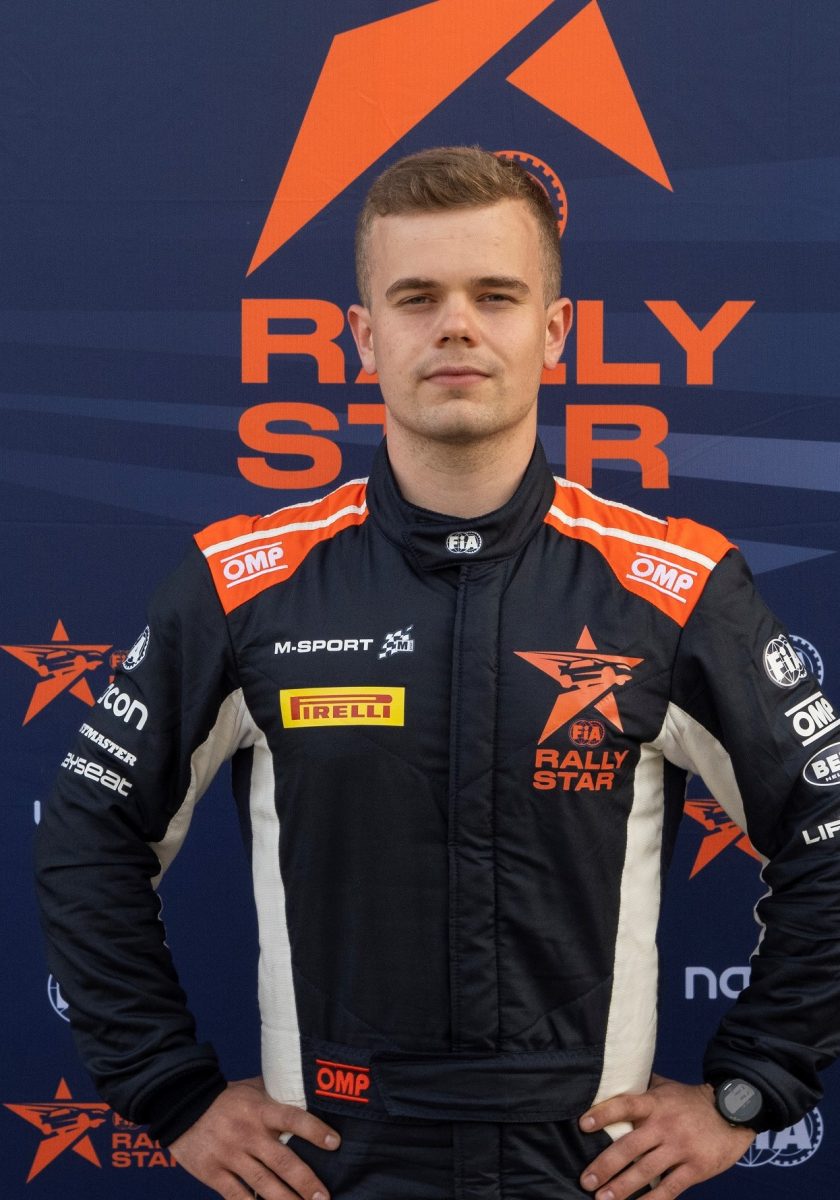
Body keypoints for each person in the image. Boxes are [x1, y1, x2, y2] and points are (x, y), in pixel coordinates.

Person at [36, 146, 840, 1200]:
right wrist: (169, 1091)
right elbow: (88, 834)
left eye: (495, 295)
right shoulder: (242, 584)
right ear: (365, 336)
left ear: (553, 330)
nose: (456, 326)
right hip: (328, 1163)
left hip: (588, 1164)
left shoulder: (676, 587)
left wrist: (752, 1086)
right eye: (417, 297)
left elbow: (829, 829)